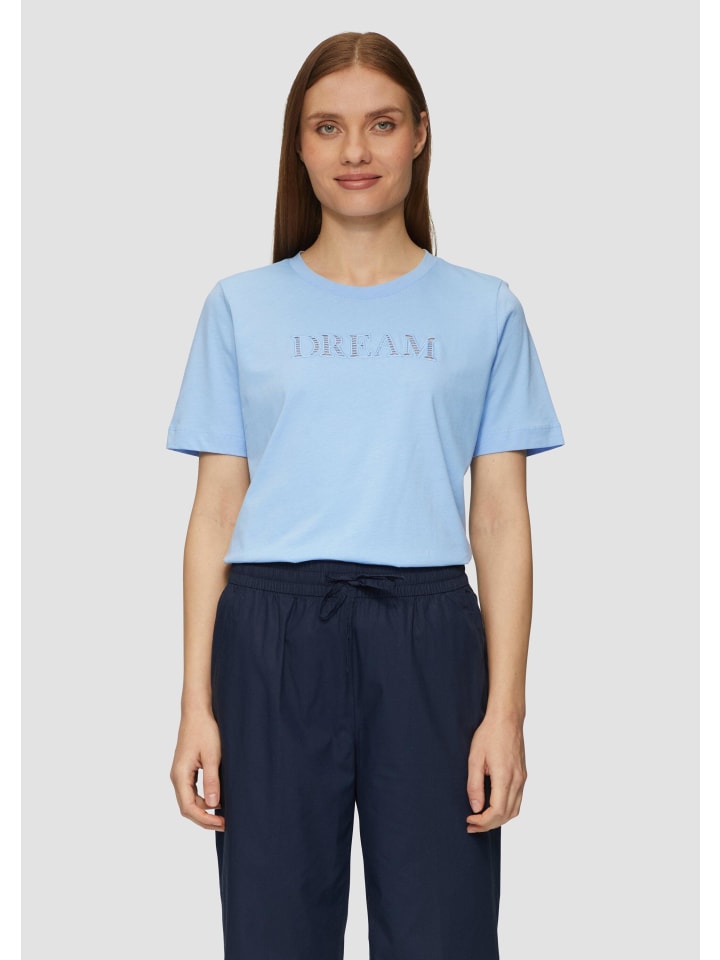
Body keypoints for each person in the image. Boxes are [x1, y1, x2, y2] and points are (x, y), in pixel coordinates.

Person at [167, 30, 564, 960]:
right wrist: (196, 704)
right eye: (328, 127)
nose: (355, 150)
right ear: (299, 145)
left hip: (428, 637)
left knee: (442, 933)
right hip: (270, 635)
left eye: (381, 124)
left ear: (420, 133)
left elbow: (500, 519)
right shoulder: (239, 307)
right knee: (273, 933)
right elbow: (215, 513)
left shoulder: (485, 308)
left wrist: (506, 711)